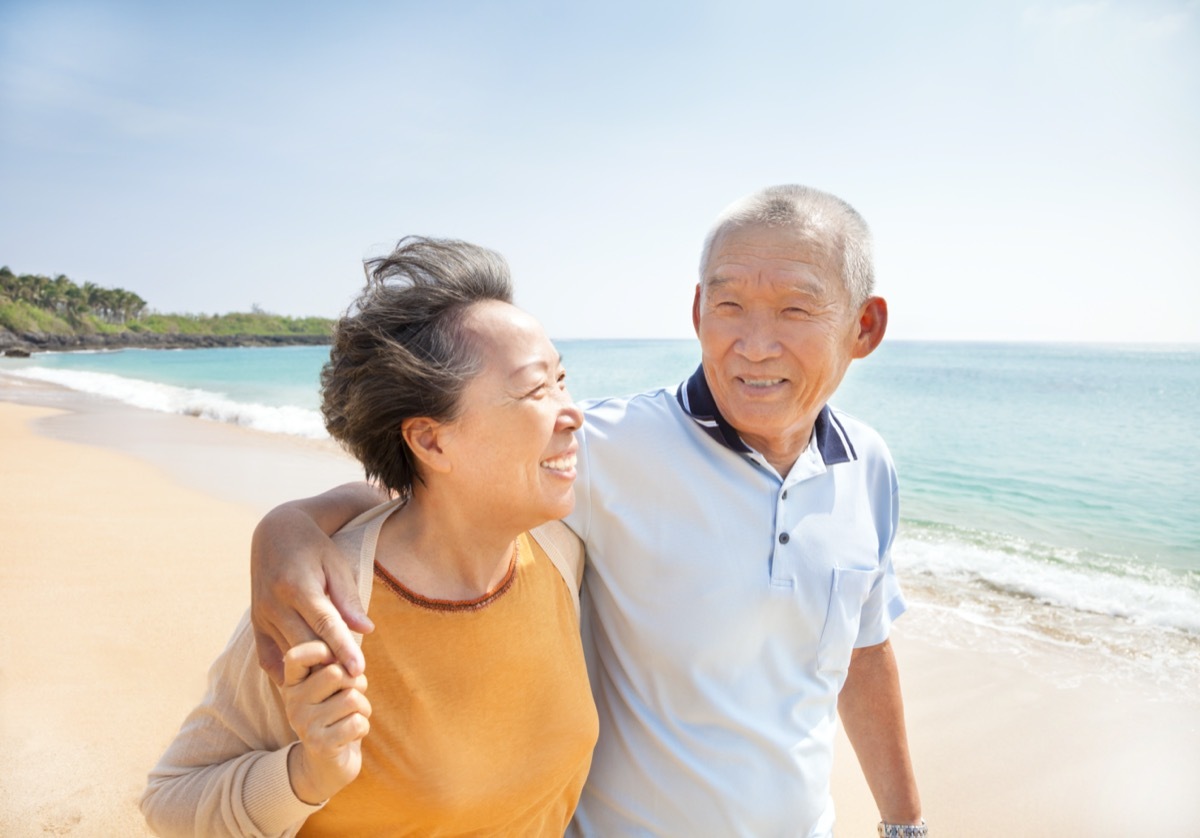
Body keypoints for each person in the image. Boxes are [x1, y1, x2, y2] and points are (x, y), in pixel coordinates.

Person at [250, 185, 926, 837]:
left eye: (796, 311)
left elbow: (864, 653)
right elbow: (446, 486)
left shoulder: (868, 466)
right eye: (729, 306)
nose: (753, 343)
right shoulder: (607, 445)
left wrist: (904, 826)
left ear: (863, 327)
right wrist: (291, 526)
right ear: (697, 312)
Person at [140, 237, 599, 836]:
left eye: (562, 380)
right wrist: (306, 776)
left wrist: (297, 515)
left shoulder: (561, 551)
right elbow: (170, 804)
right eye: (536, 390)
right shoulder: (326, 602)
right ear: (431, 441)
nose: (573, 412)